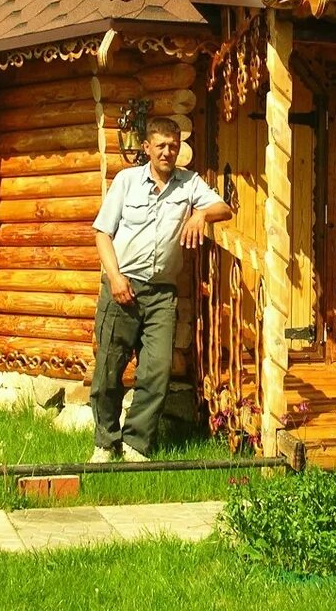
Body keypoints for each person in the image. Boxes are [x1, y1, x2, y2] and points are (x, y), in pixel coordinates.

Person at [88, 116, 232, 462]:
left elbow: (224, 208)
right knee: (108, 368)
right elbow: (101, 233)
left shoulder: (189, 184)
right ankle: (105, 443)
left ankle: (136, 444)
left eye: (174, 145)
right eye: (161, 145)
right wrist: (115, 278)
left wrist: (200, 216)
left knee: (157, 369)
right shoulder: (126, 182)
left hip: (161, 294)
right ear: (147, 148)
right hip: (122, 288)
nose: (168, 151)